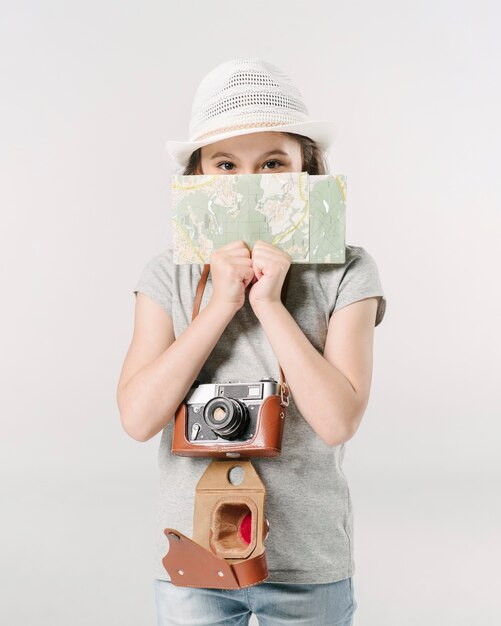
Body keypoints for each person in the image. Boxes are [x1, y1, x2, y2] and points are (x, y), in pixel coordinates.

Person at [117, 58, 387, 626]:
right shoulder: (169, 274)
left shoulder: (346, 270)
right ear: (197, 180)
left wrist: (268, 303)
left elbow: (338, 420)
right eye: (225, 164)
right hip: (193, 556)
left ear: (306, 171)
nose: (248, 185)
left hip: (308, 561)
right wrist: (220, 305)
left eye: (271, 164)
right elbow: (139, 417)